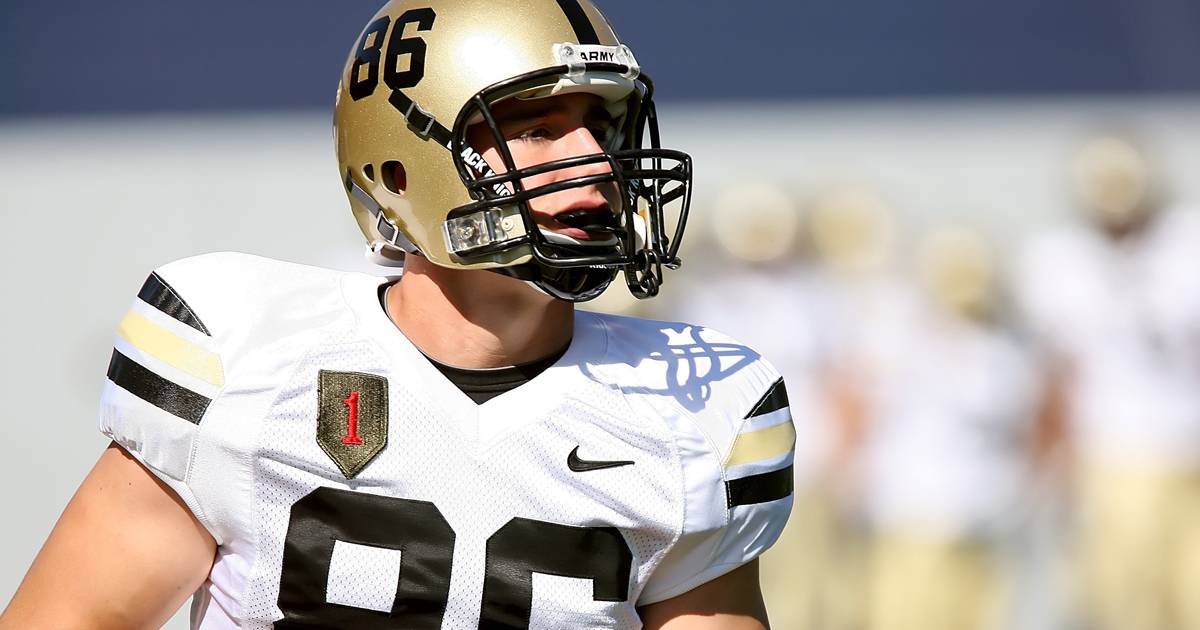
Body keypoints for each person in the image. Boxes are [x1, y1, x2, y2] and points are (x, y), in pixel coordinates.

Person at [0, 1, 795, 628]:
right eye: (539, 129)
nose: (594, 162)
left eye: (603, 126)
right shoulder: (248, 351)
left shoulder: (690, 411)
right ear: (401, 162)